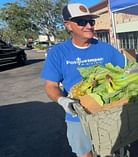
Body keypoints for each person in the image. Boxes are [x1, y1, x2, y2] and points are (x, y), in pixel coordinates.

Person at [40, 3, 125, 157]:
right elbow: (50, 85)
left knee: (110, 149)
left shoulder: (105, 48)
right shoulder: (57, 53)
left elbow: (126, 67)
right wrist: (62, 100)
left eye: (91, 22)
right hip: (77, 115)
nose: (88, 26)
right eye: (81, 22)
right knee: (85, 153)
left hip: (108, 112)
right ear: (68, 26)